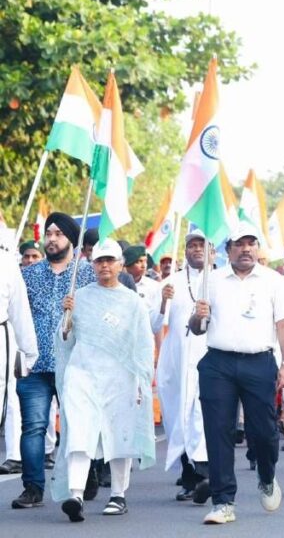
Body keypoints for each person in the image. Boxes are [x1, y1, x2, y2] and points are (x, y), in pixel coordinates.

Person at [190, 223, 284, 524]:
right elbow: (197, 328)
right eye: (239, 244)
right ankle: (223, 502)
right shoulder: (211, 280)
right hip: (218, 363)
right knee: (218, 431)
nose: (246, 249)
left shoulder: (274, 281)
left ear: (257, 248)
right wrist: (198, 316)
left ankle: (267, 475)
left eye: (251, 243)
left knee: (263, 432)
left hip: (259, 363)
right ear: (228, 250)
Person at [53, 239, 156, 521]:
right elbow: (65, 340)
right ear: (92, 264)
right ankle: (76, 494)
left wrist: (143, 379)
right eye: (100, 261)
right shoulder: (78, 297)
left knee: (119, 433)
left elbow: (143, 343)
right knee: (79, 432)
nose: (105, 265)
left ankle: (118, 495)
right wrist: (67, 319)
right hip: (82, 375)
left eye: (110, 260)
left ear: (120, 264)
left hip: (120, 377)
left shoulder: (133, 302)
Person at [13, 212, 97, 509]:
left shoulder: (87, 274)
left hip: (75, 364)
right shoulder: (28, 274)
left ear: (71, 239)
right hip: (36, 364)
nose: (51, 239)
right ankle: (32, 487)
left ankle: (84, 476)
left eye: (58, 234)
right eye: (48, 233)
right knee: (33, 427)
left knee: (78, 425)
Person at [156, 231, 213, 504]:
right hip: (176, 361)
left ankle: (205, 476)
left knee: (202, 416)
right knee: (178, 417)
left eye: (202, 245)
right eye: (192, 245)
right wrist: (163, 301)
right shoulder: (171, 282)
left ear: (211, 250)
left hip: (208, 359)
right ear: (185, 250)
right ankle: (189, 478)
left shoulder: (220, 281)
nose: (197, 249)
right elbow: (155, 324)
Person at [0, 250, 40, 476]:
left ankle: (14, 454)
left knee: (7, 400)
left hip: (2, 339)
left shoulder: (5, 262)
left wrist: (29, 352)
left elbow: (19, 311)